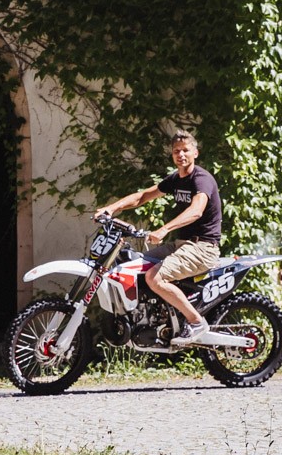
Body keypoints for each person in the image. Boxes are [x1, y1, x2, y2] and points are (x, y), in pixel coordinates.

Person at [94, 131, 223, 344]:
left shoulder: (201, 179)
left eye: (185, 150)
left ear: (195, 153)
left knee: (154, 277)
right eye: (176, 151)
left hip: (203, 248)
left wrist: (164, 229)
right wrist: (111, 208)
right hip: (182, 245)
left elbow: (196, 210)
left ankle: (196, 322)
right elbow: (143, 196)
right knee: (134, 266)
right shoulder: (176, 179)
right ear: (172, 155)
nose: (181, 154)